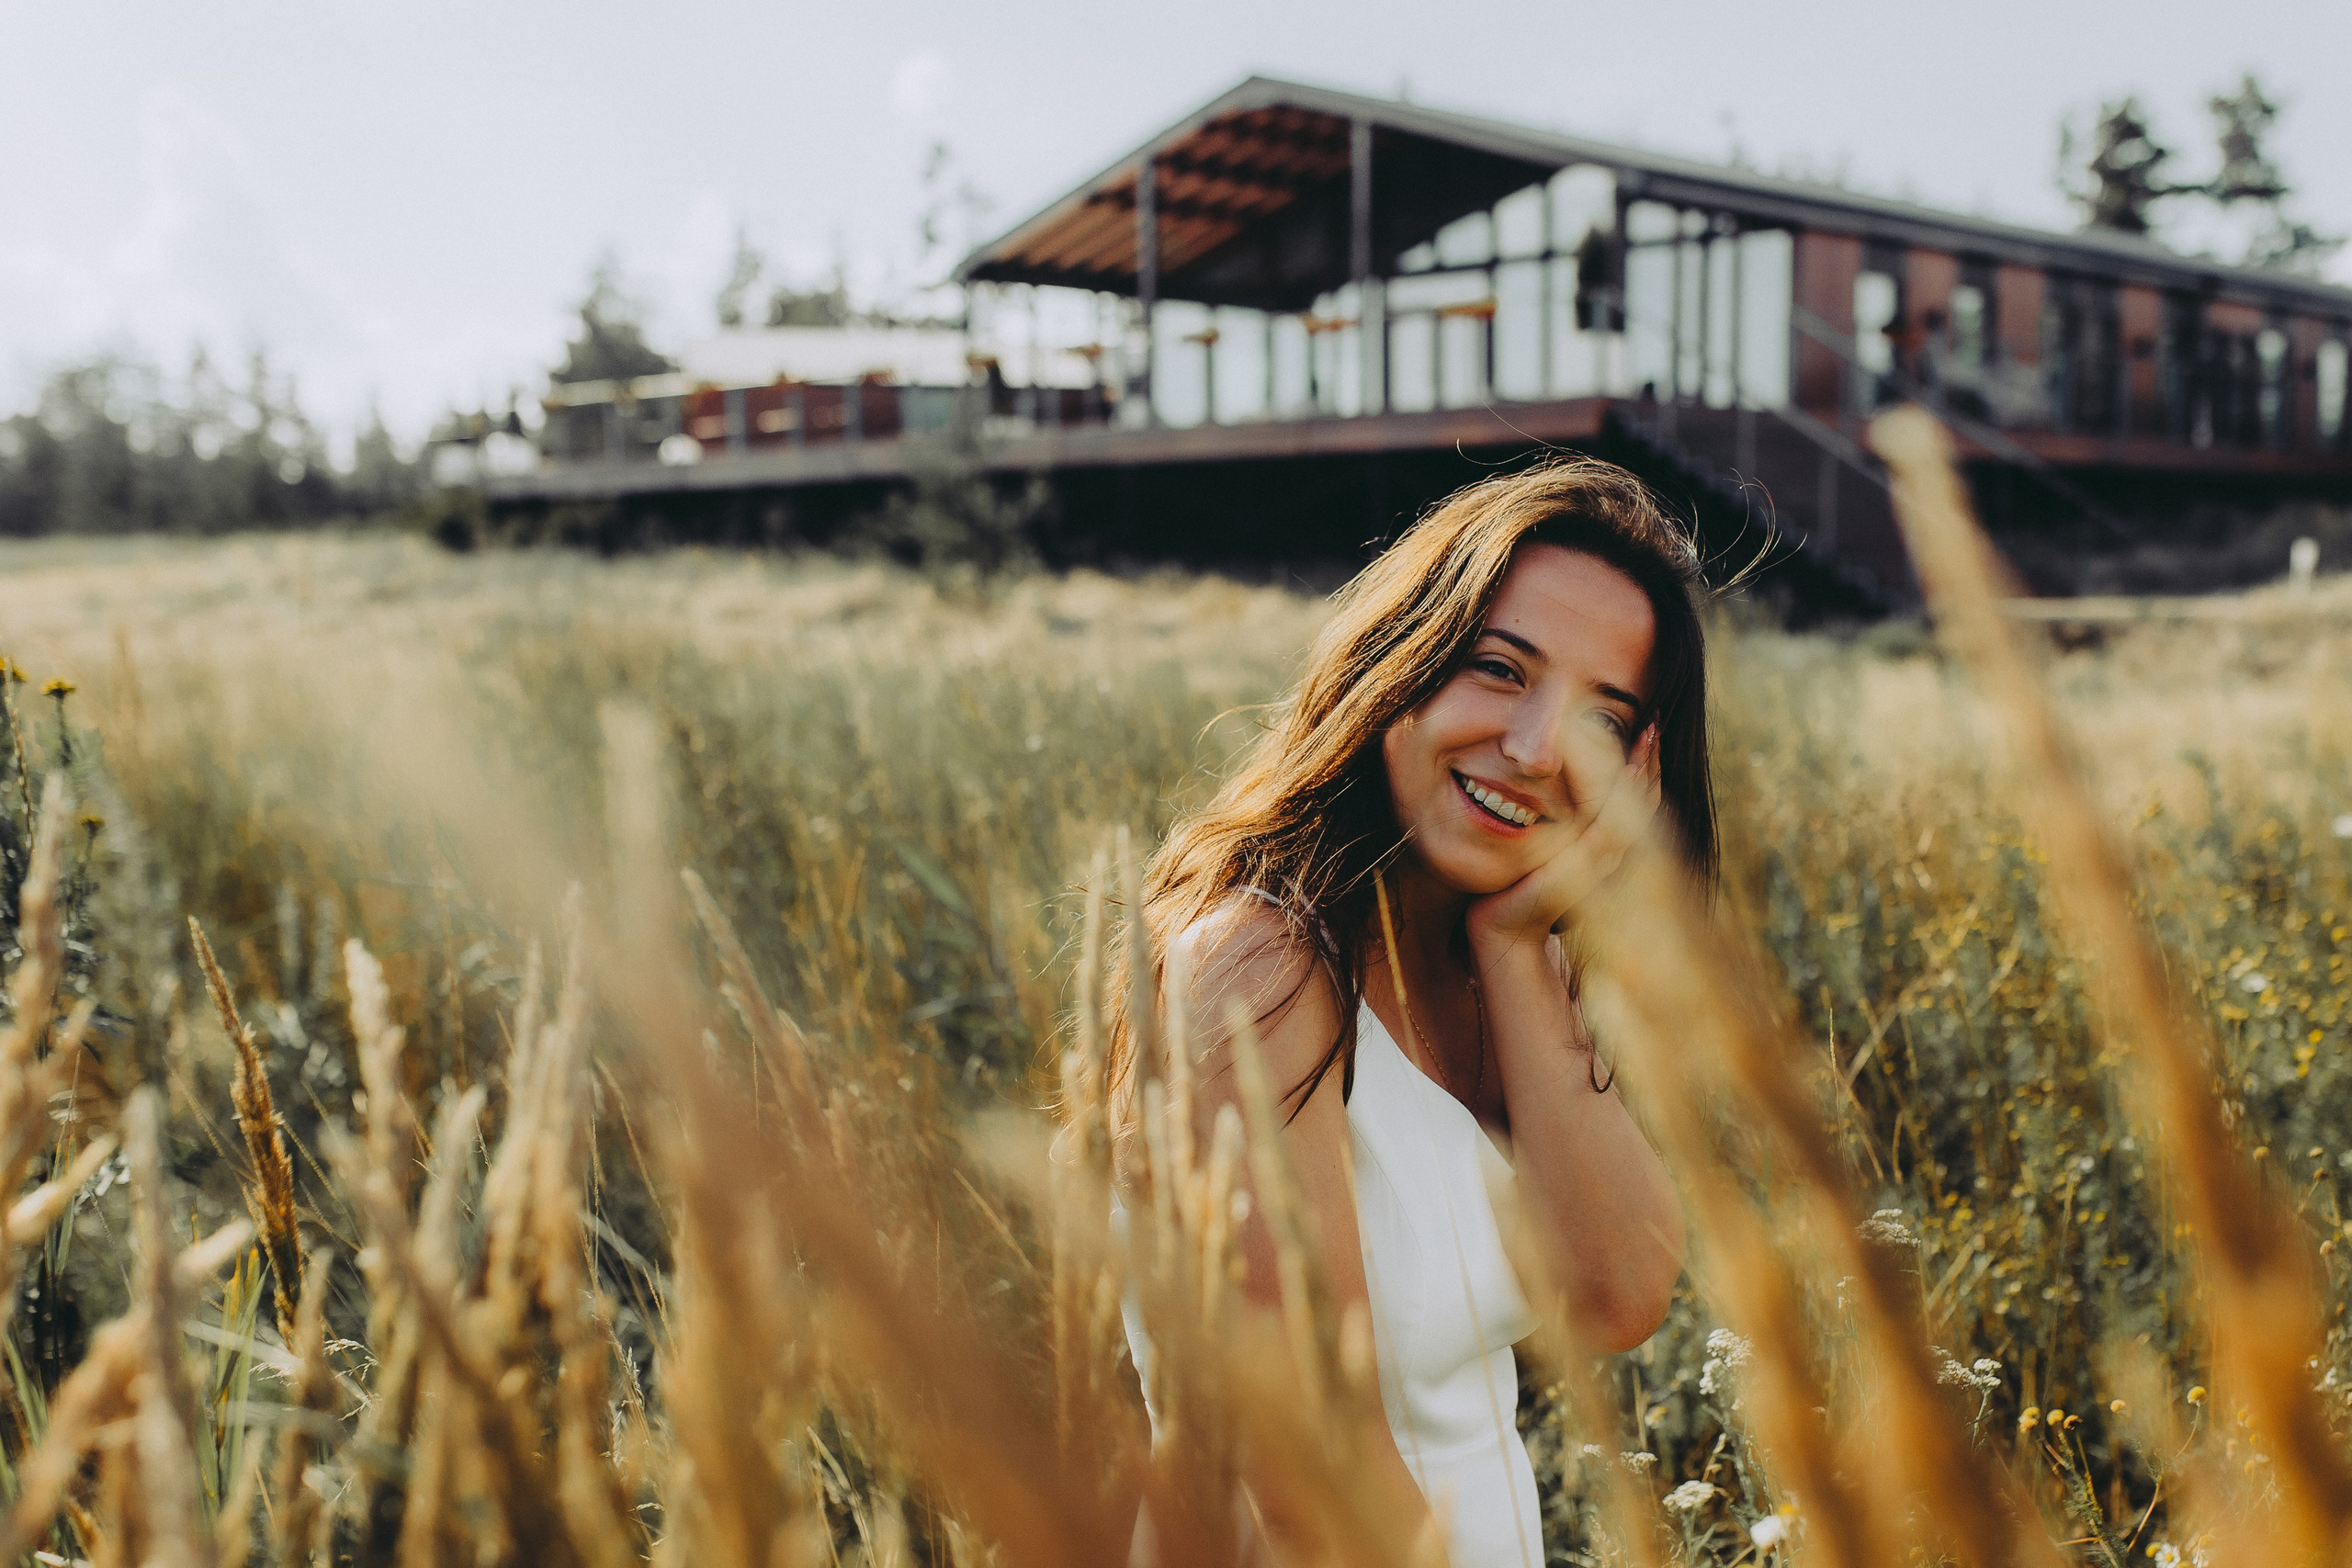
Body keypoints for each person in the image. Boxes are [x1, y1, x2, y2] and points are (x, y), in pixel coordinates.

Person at [1105, 457, 1708, 1567]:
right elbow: (1300, 1460)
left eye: (1601, 717)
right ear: (1399, 664)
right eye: (1496, 668)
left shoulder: (1493, 962)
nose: (1533, 749)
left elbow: (1617, 1296)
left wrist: (1518, 945)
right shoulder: (1256, 966)